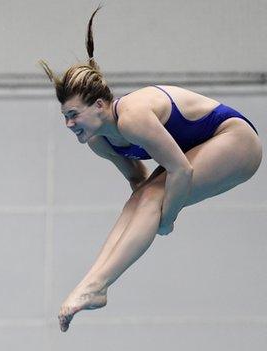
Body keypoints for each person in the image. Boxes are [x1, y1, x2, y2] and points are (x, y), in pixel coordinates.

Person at [40, 7, 262, 332]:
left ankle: (97, 284)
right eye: (64, 116)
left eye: (73, 114)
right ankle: (92, 284)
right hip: (196, 152)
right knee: (140, 199)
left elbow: (181, 172)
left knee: (153, 198)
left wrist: (167, 217)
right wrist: (150, 210)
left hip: (236, 140)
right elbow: (137, 180)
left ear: (99, 105)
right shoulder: (99, 140)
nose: (68, 124)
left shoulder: (132, 116)